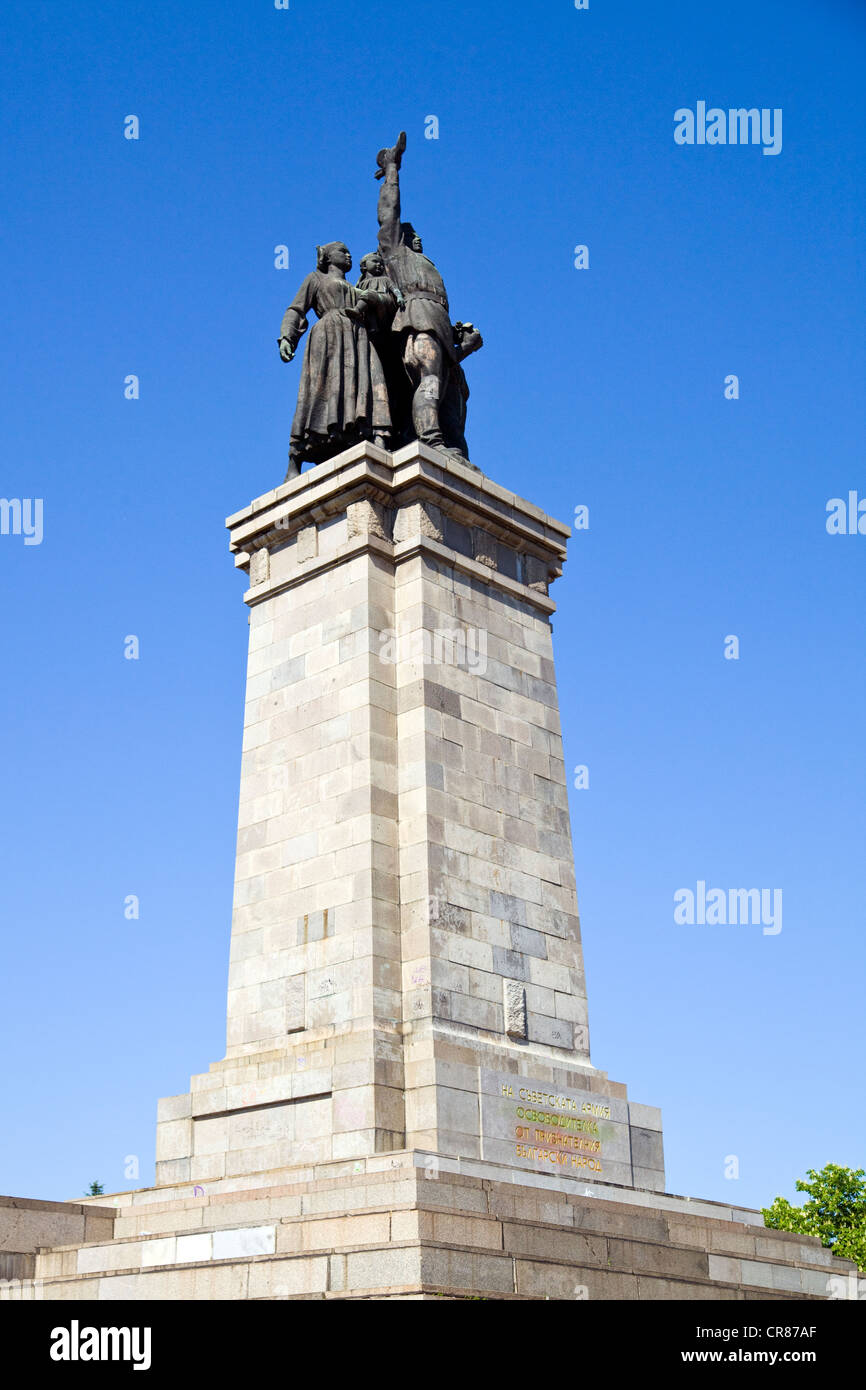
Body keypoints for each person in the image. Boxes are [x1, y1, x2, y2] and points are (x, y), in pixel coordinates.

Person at [374, 132, 482, 463]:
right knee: (429, 379)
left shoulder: (428, 264)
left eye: (417, 233)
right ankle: (430, 439)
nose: (416, 236)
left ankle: (441, 441)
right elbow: (389, 211)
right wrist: (393, 169)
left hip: (438, 325)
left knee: (448, 397)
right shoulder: (395, 253)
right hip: (418, 322)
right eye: (410, 232)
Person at [278, 241, 392, 478]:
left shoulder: (357, 286)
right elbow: (296, 309)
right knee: (320, 390)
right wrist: (287, 336)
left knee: (371, 380)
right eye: (343, 252)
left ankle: (371, 434)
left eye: (350, 252)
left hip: (357, 337)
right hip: (329, 335)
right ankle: (295, 458)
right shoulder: (316, 279)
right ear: (327, 257)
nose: (349, 255)